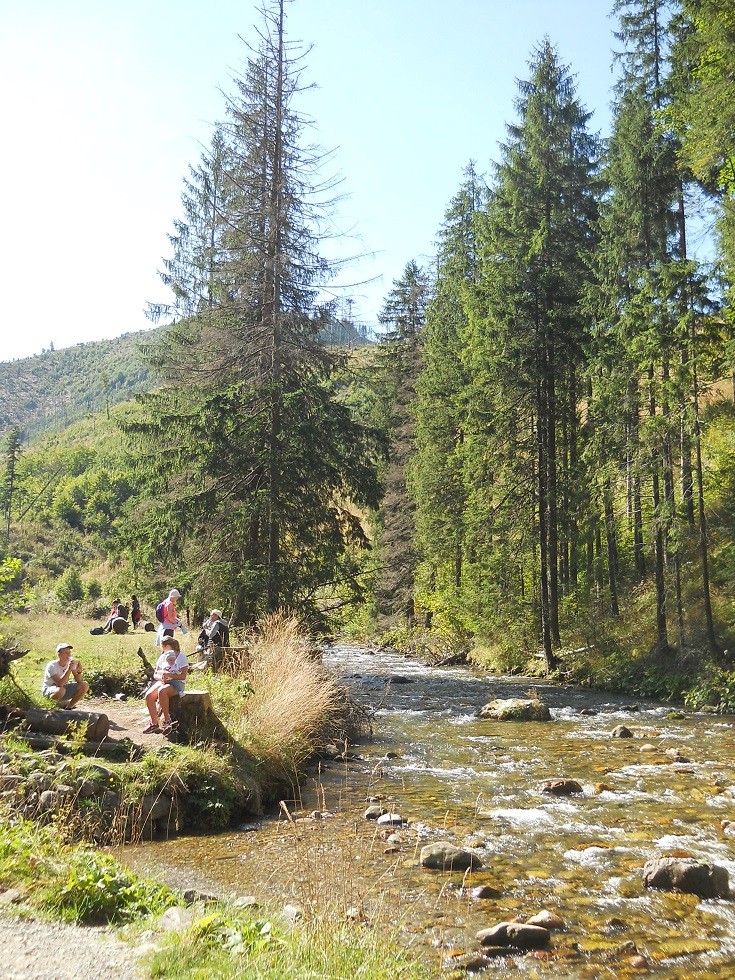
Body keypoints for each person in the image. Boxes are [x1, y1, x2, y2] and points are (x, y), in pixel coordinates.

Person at [144, 636, 188, 735]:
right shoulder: (163, 656)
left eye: (162, 647)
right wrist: (162, 678)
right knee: (149, 696)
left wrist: (169, 675)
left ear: (167, 646)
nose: (161, 649)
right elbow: (156, 674)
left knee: (162, 691)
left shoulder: (181, 657)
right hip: (163, 681)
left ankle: (167, 720)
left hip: (177, 683)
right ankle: (154, 723)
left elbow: (183, 676)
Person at [41, 643, 89, 709]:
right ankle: (52, 705)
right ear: (59, 654)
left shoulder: (70, 663)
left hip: (63, 689)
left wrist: (79, 671)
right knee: (61, 690)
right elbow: (60, 683)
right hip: (50, 690)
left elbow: (79, 681)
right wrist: (68, 669)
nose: (69, 655)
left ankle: (69, 707)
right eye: (66, 653)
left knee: (84, 685)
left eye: (69, 652)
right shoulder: (52, 666)